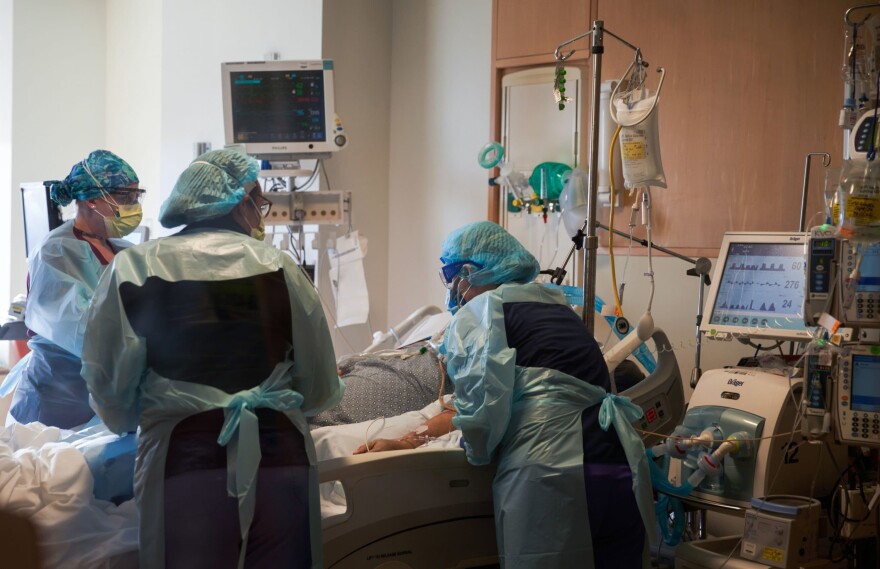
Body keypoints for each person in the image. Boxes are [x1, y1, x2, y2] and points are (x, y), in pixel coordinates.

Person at [80, 149, 343, 569]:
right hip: (281, 457)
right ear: (240, 204)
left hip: (185, 460)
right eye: (260, 203)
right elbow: (319, 387)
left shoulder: (134, 268)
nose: (261, 215)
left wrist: (135, 417)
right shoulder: (281, 267)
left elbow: (109, 386)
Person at [438, 221, 656, 568]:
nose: (452, 290)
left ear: (469, 273)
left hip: (555, 473)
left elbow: (482, 414)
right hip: (618, 468)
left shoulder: (483, 312)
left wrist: (470, 445)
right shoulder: (556, 306)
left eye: (451, 278)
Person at [1, 149, 143, 429]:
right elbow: (82, 331)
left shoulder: (125, 251)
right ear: (91, 200)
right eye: (125, 197)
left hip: (104, 394)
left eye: (137, 197)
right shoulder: (57, 251)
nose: (134, 206)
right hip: (60, 398)